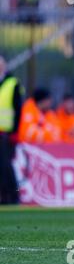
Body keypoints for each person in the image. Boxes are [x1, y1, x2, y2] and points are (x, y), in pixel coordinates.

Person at [0, 55, 22, 204]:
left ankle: (13, 197)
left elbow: (18, 109)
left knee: (6, 166)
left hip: (5, 133)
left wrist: (14, 132)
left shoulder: (12, 83)